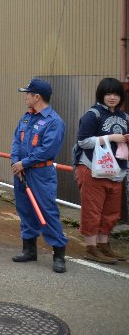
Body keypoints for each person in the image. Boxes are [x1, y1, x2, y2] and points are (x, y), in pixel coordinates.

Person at [10, 78, 68, 273]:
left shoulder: (54, 121)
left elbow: (47, 150)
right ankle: (29, 249)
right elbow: (16, 140)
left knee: (46, 211)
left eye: (27, 94)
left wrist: (23, 163)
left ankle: (59, 254)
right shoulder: (26, 117)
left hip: (41, 173)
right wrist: (15, 162)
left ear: (37, 97)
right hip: (21, 170)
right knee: (25, 209)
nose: (25, 97)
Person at [74, 77, 129, 264]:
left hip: (117, 171)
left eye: (116, 93)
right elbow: (83, 141)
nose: (112, 97)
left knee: (111, 212)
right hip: (92, 169)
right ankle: (90, 248)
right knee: (92, 211)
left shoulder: (125, 117)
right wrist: (111, 137)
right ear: (101, 95)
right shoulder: (93, 115)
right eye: (108, 93)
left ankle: (104, 246)